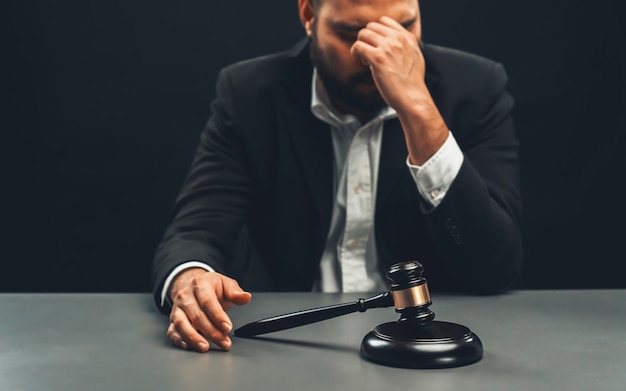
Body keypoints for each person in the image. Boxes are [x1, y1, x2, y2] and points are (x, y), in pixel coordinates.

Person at [152, 0, 523, 353]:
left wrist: (421, 111)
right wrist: (191, 278)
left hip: (430, 350)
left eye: (405, 26)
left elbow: (494, 269)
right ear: (309, 14)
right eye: (352, 33)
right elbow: (197, 227)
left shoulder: (477, 87)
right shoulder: (249, 93)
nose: (378, 52)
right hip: (287, 343)